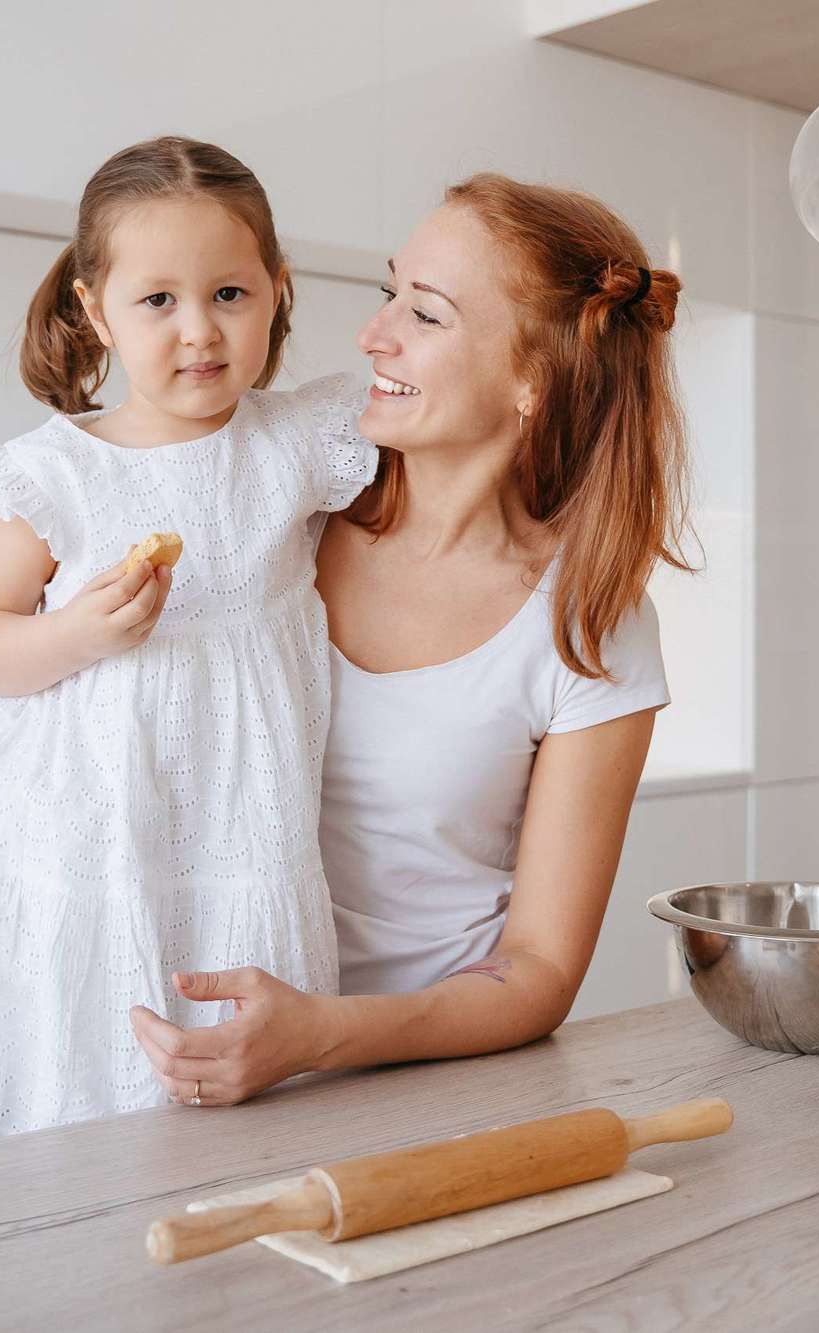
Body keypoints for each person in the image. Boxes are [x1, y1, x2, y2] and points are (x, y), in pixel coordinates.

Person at [130, 174, 691, 1108]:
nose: (373, 335)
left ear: (534, 378)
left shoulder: (590, 623)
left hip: (428, 1088)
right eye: (388, 291)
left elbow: (538, 972)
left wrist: (319, 1033)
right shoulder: (284, 525)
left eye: (425, 315)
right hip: (202, 1056)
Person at [0, 136, 376, 1141]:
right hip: (80, 818)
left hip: (235, 814)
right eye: (158, 302)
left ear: (276, 293)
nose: (199, 330)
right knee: (84, 1065)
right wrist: (76, 637)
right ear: (95, 310)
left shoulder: (297, 442)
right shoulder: (56, 472)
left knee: (225, 1089)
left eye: (229, 293)